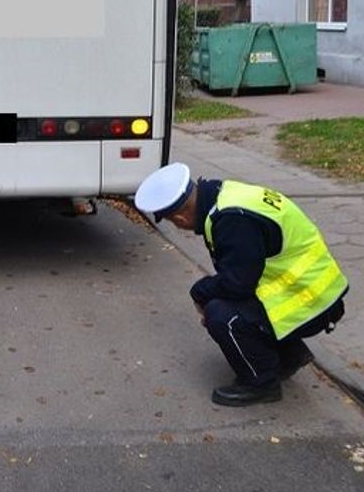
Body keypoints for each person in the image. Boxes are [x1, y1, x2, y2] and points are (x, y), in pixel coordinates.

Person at [135, 162, 348, 406]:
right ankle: (291, 355)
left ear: (180, 217)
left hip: (310, 302)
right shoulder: (224, 195)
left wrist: (199, 293)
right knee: (229, 301)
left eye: (174, 222)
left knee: (222, 314)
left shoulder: (231, 221)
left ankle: (261, 383)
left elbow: (238, 284)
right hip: (315, 291)